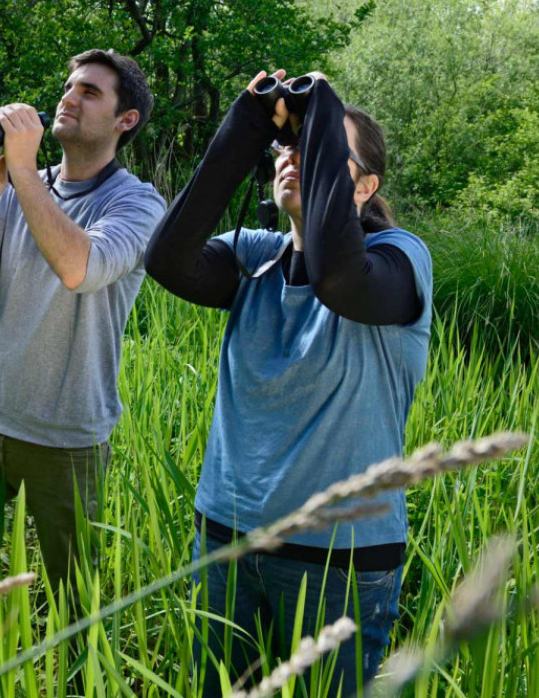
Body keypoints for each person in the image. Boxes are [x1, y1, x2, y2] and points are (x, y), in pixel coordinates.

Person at [144, 69, 433, 697]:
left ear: (366, 187)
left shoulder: (401, 259)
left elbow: (339, 279)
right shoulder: (253, 256)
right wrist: (246, 125)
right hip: (225, 540)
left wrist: (322, 107)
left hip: (341, 563)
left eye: (323, 150)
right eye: (289, 148)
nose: (295, 157)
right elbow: (166, 260)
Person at [0, 49, 166, 596]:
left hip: (67, 441)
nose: (69, 97)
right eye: (69, 86)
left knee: (72, 602)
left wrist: (24, 171)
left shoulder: (138, 203)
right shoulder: (17, 190)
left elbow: (80, 268)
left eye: (90, 92)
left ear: (126, 120)